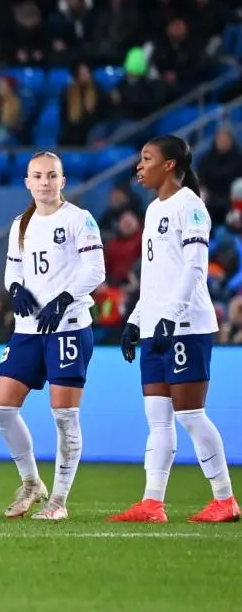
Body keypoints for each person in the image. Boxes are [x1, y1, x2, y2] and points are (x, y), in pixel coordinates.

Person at [111, 135, 239, 523]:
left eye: (146, 158)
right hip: (155, 325)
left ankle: (225, 499)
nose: (139, 165)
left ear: (169, 165)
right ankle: (152, 503)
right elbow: (155, 276)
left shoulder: (191, 207)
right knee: (158, 417)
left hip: (186, 325)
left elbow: (194, 268)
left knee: (190, 413)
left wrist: (171, 316)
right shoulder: (153, 209)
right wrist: (136, 319)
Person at [0, 152, 105, 521]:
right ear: (27, 182)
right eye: (37, 176)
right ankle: (31, 483)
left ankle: (58, 501)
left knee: (64, 416)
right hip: (27, 329)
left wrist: (65, 297)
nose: (44, 182)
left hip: (68, 326)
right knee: (3, 408)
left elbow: (95, 268)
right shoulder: (20, 224)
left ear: (63, 180)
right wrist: (15, 290)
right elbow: (13, 270)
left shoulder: (79, 219)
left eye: (51, 176)